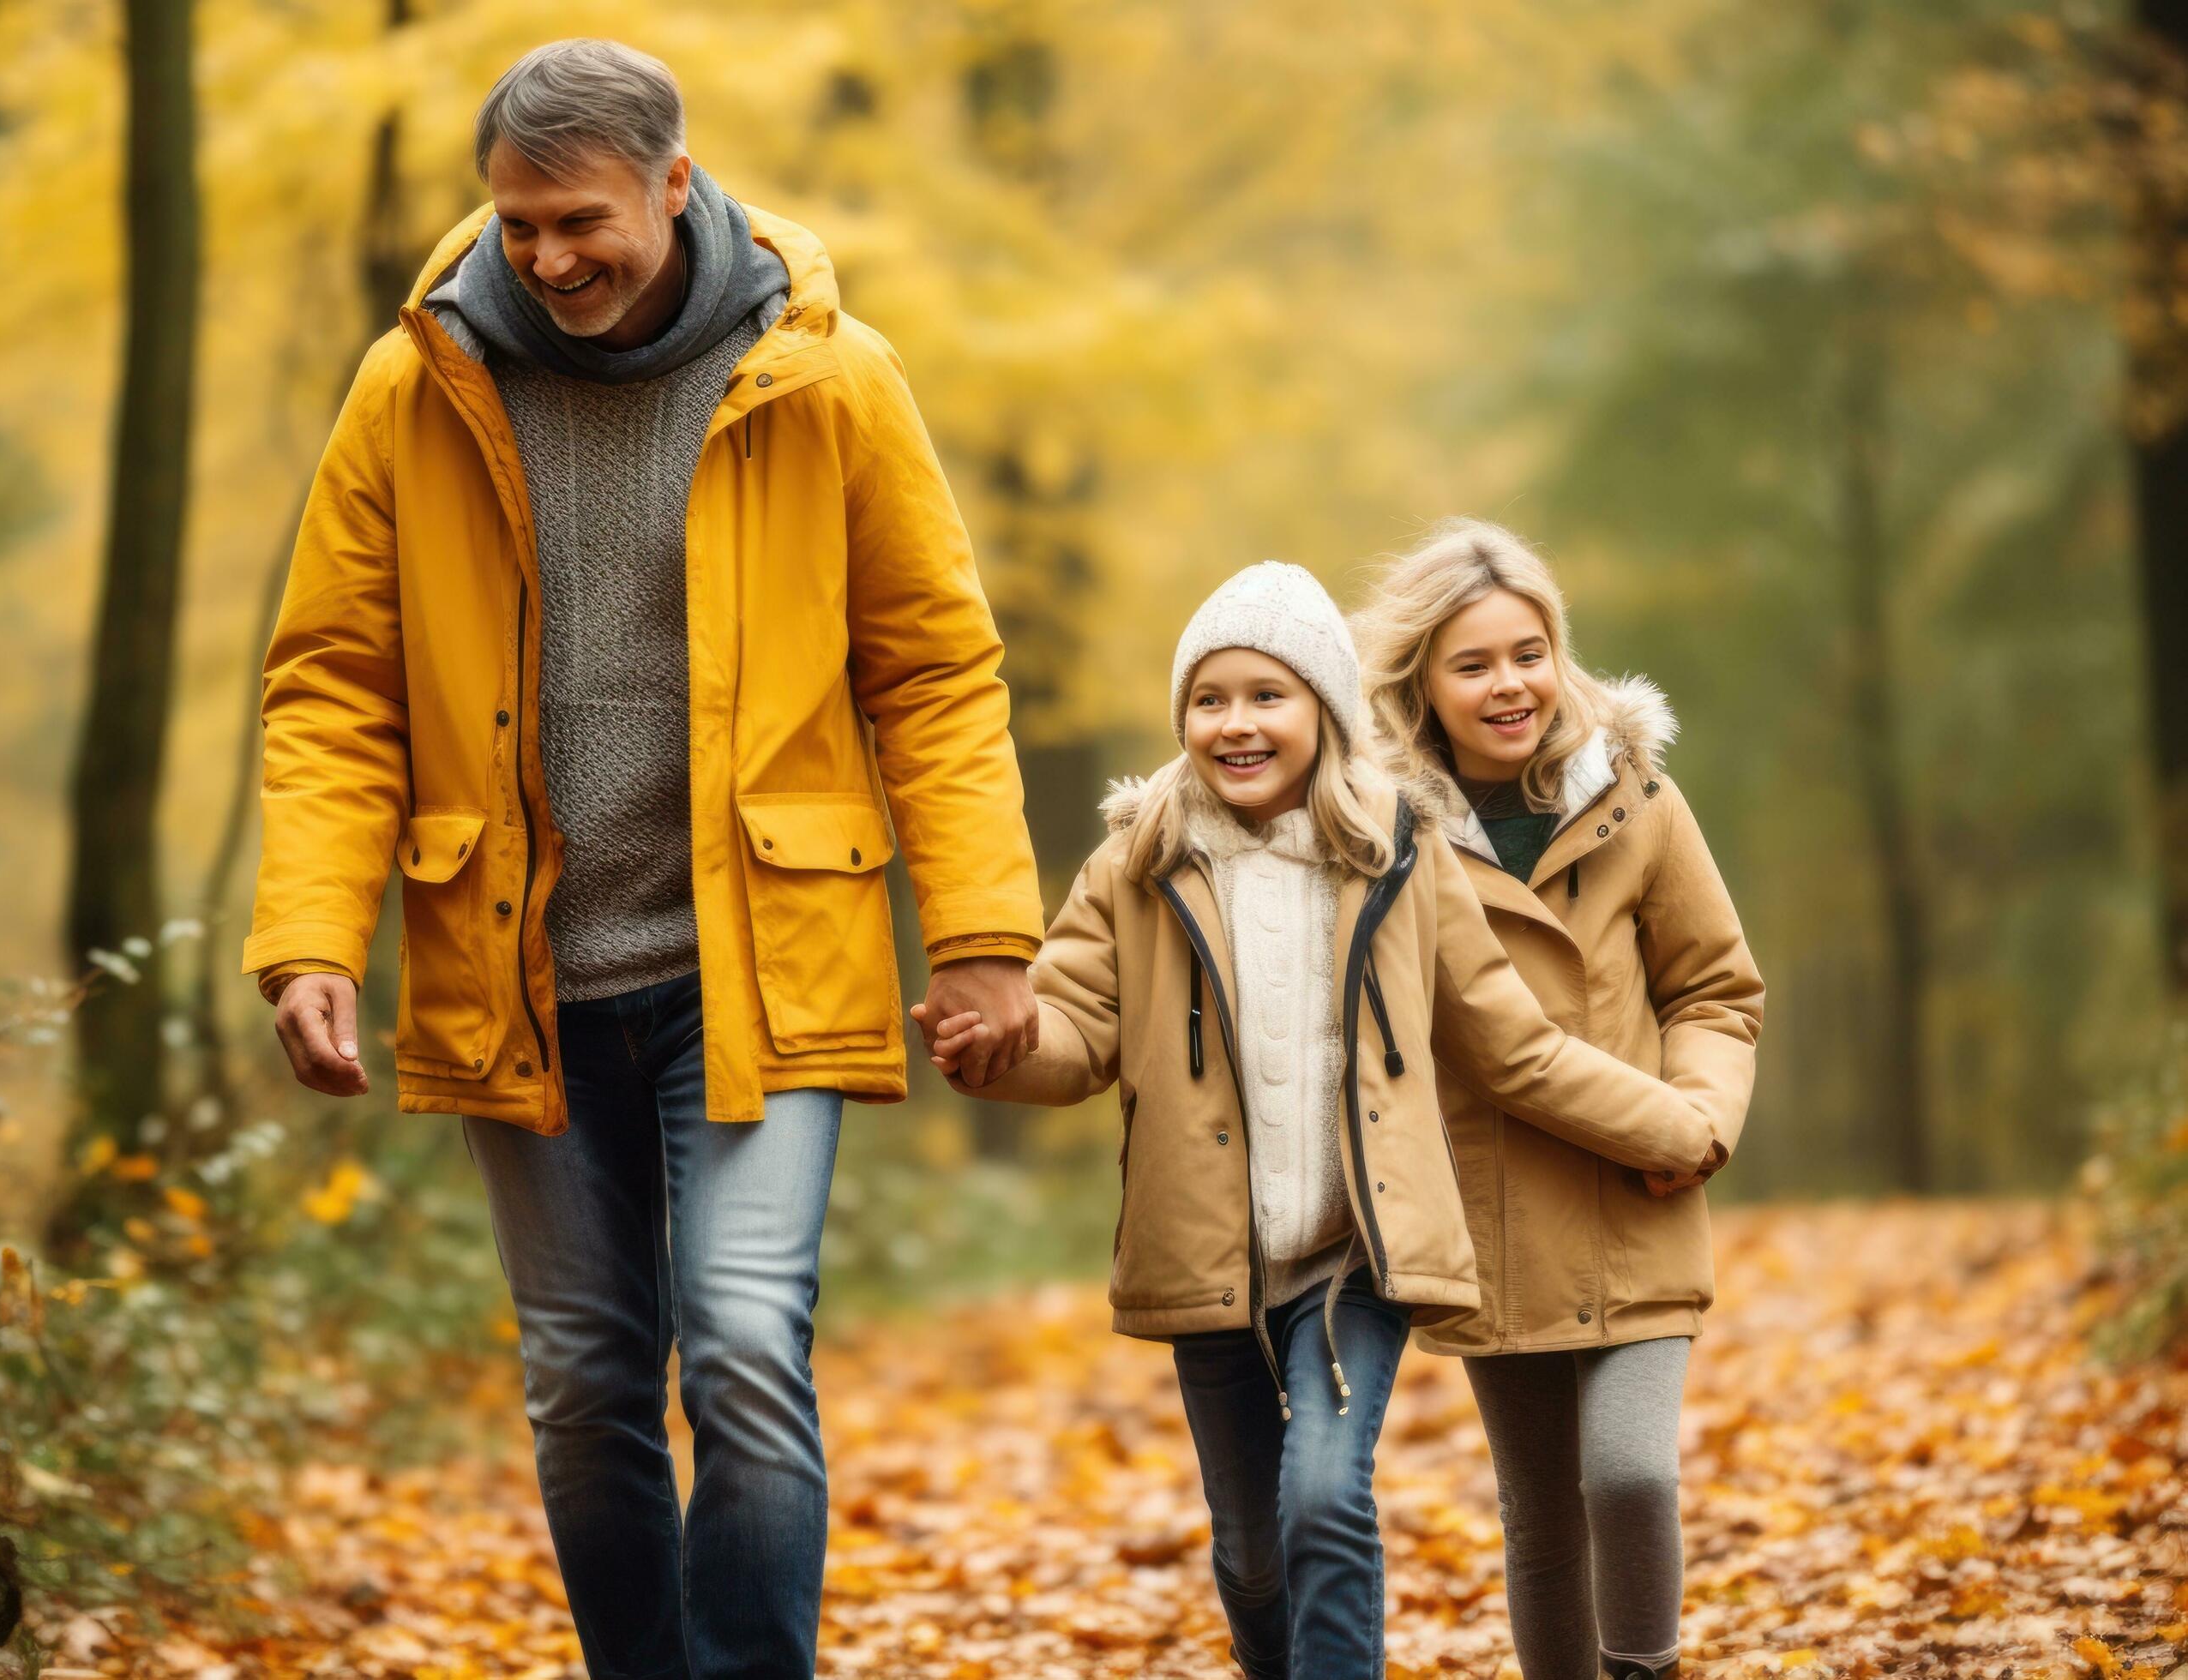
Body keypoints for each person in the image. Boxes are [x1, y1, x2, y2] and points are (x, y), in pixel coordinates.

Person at [242, 39, 1047, 1679]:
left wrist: (980, 933)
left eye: (582, 220)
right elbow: (334, 679)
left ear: (677, 184)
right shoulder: (417, 384)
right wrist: (310, 934)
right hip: (519, 973)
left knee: (745, 1345)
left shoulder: (830, 378)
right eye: (519, 224)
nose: (549, 259)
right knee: (586, 1381)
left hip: (755, 965)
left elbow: (934, 671)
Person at [916, 561, 1717, 1678]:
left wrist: (1674, 1128)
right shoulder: (1138, 865)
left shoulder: (1397, 855)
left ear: (1325, 714)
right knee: (1251, 1557)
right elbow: (1076, 1033)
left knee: (1324, 1502)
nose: (1236, 723)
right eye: (1210, 699)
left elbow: (1514, 1045)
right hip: (1207, 1263)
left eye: (1267, 696)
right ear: (1182, 717)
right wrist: (999, 1054)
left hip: (1355, 1261)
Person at [1353, 519, 1765, 1680]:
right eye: (1473, 663)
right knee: (1541, 1525)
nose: (1509, 684)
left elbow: (1716, 988)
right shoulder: (1384, 837)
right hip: (1491, 1219)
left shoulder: (1636, 801)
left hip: (1642, 1187)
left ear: (1559, 652)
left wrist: (1702, 1118)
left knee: (1630, 1473)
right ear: (1423, 683)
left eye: (1528, 652)